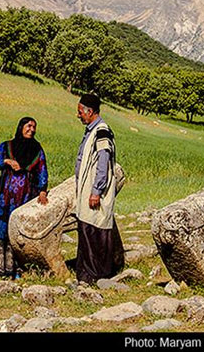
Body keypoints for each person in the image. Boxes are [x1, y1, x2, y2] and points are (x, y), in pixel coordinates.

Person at [0, 117, 48, 281]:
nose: (31, 129)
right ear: (20, 127)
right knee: (0, 228)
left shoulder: (37, 149)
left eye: (34, 127)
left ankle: (16, 270)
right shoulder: (7, 146)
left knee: (19, 232)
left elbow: (42, 170)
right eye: (28, 126)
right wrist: (6, 161)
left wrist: (43, 190)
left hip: (26, 195)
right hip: (6, 195)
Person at [74, 94, 124, 284]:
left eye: (80, 112)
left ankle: (97, 274)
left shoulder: (101, 131)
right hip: (87, 190)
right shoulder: (92, 131)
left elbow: (103, 163)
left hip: (94, 193)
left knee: (94, 231)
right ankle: (86, 274)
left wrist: (96, 191)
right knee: (87, 229)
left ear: (90, 111)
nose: (78, 115)